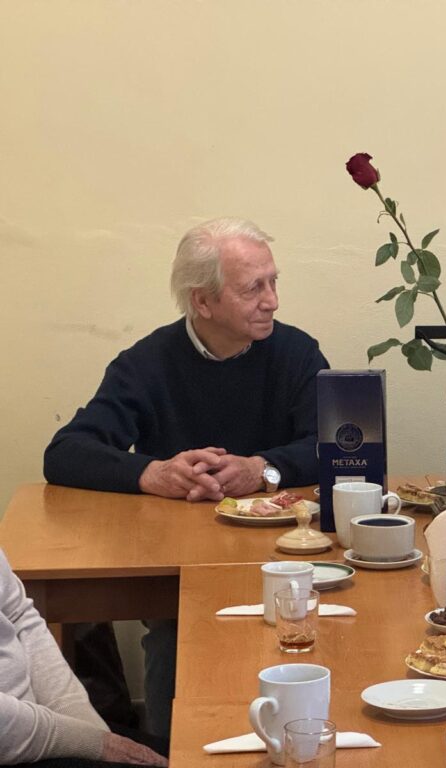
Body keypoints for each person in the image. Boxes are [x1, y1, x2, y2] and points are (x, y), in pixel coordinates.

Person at [43, 218, 329, 739]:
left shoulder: (298, 353)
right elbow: (65, 453)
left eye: (273, 282)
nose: (272, 301)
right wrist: (152, 473)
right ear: (203, 302)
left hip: (284, 552)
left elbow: (333, 447)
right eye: (253, 288)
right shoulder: (147, 363)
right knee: (176, 635)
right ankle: (170, 749)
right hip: (180, 561)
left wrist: (261, 468)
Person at [0, 548, 166, 767]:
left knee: (187, 751)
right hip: (16, 742)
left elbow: (19, 614)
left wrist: (86, 722)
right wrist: (98, 744)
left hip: (35, 728)